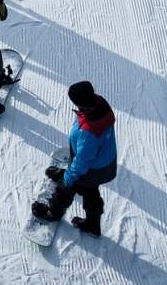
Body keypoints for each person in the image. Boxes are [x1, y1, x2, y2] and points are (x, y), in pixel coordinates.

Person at [31, 81, 118, 236]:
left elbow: (83, 162)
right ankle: (93, 224)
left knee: (68, 187)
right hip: (104, 162)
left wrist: (68, 177)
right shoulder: (97, 106)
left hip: (93, 169)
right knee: (90, 189)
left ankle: (53, 213)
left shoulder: (90, 132)